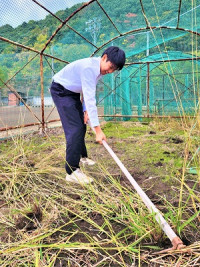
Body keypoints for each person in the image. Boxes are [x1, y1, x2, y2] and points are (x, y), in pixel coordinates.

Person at [50, 46, 126, 184]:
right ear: (104, 57)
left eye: (114, 70)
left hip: (72, 92)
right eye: (111, 66)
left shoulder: (99, 70)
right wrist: (98, 130)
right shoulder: (89, 68)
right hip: (61, 91)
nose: (110, 71)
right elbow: (91, 98)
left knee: (81, 125)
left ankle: (82, 157)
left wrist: (85, 111)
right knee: (75, 129)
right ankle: (72, 172)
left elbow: (87, 90)